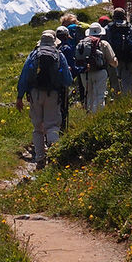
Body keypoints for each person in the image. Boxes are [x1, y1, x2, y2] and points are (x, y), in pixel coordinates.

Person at [16, 30, 74, 169]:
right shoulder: (59, 55)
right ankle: (55, 156)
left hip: (35, 94)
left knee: (38, 128)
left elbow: (24, 76)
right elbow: (67, 80)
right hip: (53, 94)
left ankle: (40, 159)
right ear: (54, 42)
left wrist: (19, 97)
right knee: (52, 126)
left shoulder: (33, 55)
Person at [75, 22, 117, 114]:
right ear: (100, 33)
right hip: (100, 72)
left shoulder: (82, 43)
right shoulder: (103, 43)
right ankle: (98, 115)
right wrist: (115, 65)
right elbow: (112, 60)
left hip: (85, 72)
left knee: (89, 94)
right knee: (100, 95)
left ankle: (89, 114)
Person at [104, 8, 132, 97]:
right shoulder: (130, 27)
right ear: (124, 16)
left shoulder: (108, 28)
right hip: (128, 58)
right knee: (127, 81)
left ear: (113, 17)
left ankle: (116, 99)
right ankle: (127, 100)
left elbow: (104, 44)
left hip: (113, 59)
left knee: (114, 81)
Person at [55, 26, 77, 130]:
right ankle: (62, 128)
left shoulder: (54, 48)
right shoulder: (67, 48)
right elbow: (72, 66)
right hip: (63, 81)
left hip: (52, 81)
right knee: (63, 106)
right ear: (66, 36)